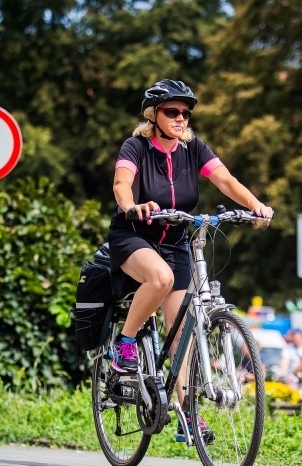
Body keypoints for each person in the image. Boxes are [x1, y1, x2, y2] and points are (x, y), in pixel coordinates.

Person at [107, 79, 274, 440]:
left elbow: (226, 180)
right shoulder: (136, 147)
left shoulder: (193, 148)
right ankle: (126, 345)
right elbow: (122, 184)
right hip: (134, 235)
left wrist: (254, 205)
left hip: (175, 241)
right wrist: (132, 206)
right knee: (161, 278)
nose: (181, 118)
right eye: (172, 112)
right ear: (153, 115)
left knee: (181, 334)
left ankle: (186, 413)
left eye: (186, 112)